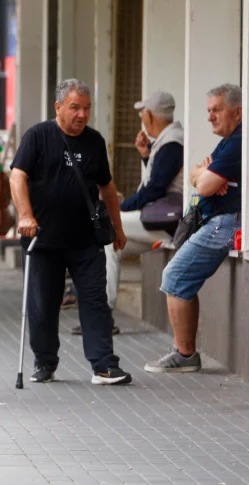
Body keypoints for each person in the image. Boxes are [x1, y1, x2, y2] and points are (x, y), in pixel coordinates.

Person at [9, 79, 133, 386]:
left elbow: (107, 187)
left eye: (87, 108)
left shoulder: (94, 141)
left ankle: (104, 365)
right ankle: (44, 362)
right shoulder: (38, 136)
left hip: (85, 240)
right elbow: (17, 176)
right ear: (58, 107)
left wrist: (117, 228)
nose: (82, 115)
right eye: (75, 107)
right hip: (42, 239)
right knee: (42, 304)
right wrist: (25, 215)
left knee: (95, 300)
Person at [145, 84, 242, 374]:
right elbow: (195, 175)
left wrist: (205, 177)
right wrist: (203, 174)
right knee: (180, 280)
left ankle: (184, 354)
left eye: (217, 110)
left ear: (238, 112)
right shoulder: (227, 141)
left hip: (225, 221)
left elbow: (205, 186)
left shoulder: (238, 141)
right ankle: (184, 352)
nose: (210, 117)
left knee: (174, 277)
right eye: (208, 111)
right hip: (216, 219)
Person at [79, 91, 183, 336]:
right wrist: (146, 156)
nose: (141, 119)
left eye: (142, 114)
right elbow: (158, 183)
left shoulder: (172, 142)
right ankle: (102, 317)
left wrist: (120, 207)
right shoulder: (167, 141)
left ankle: (100, 315)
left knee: (105, 229)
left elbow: (154, 190)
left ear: (150, 115)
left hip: (167, 223)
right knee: (111, 245)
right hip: (160, 220)